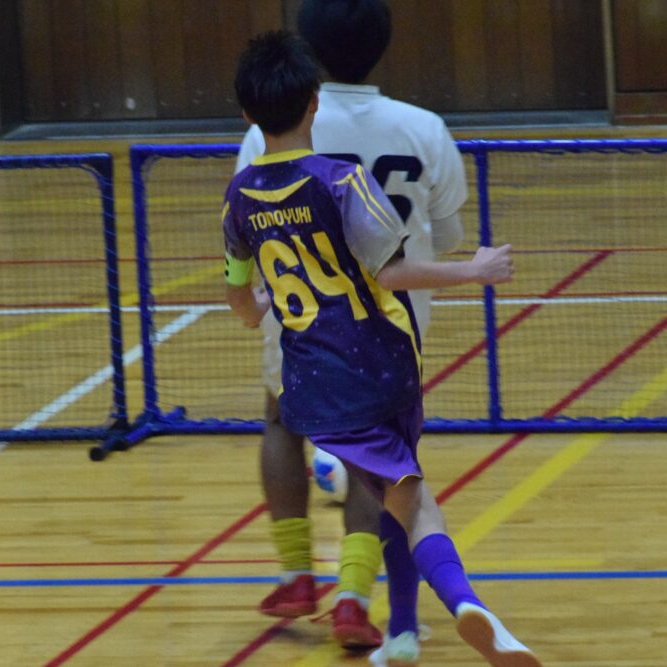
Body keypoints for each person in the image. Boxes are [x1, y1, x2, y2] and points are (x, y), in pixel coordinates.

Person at [223, 30, 541, 667]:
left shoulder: (238, 200)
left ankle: (403, 613)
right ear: (314, 103)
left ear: (247, 115)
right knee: (410, 498)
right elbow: (391, 272)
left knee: (393, 487)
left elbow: (241, 302)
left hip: (308, 384)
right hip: (379, 366)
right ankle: (458, 603)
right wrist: (474, 270)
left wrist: (259, 305)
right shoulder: (343, 181)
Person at [236, 0, 469, 659]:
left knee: (281, 421)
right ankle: (354, 598)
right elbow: (447, 236)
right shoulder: (422, 127)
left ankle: (295, 574)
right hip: (391, 326)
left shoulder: (271, 127)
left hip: (299, 317)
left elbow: (248, 229)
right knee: (381, 455)